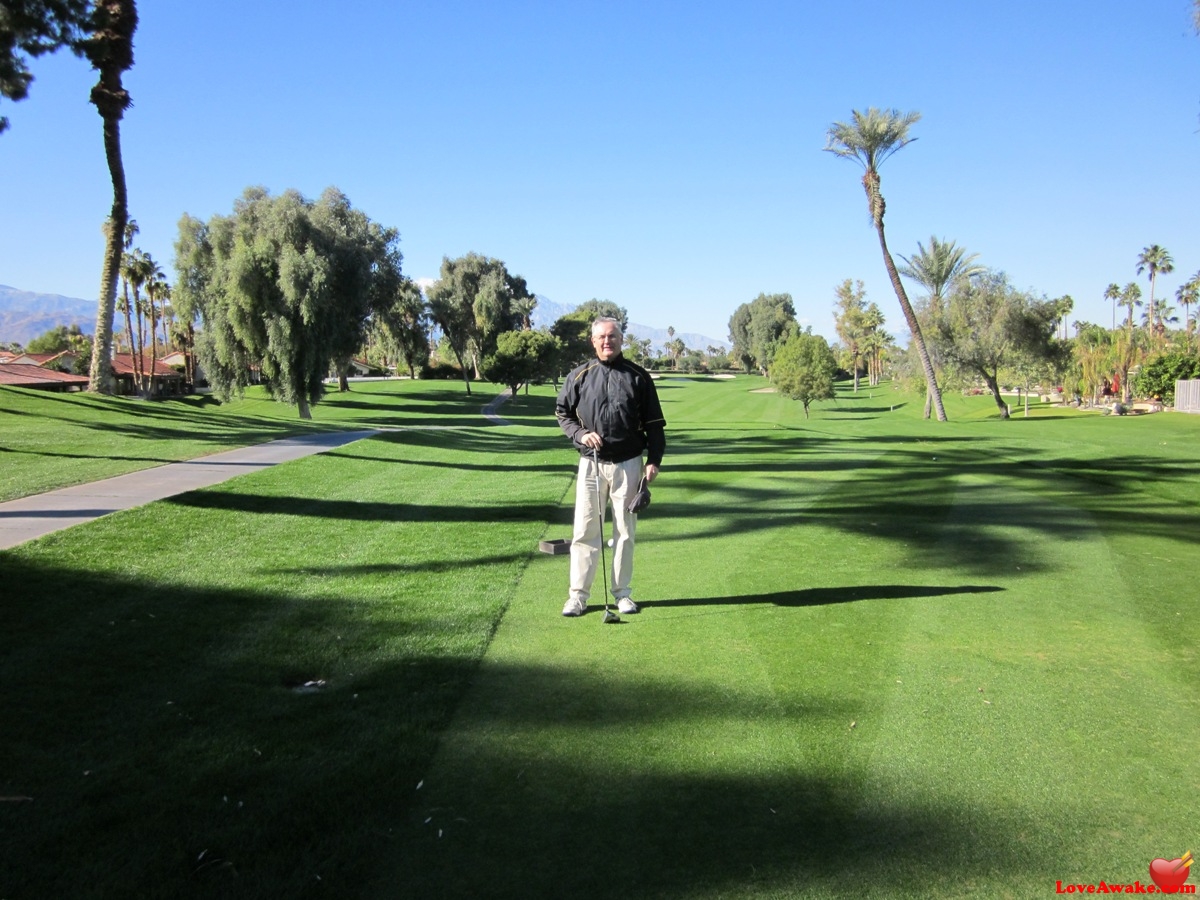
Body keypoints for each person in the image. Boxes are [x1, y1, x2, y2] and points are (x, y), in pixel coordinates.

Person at [554, 317, 665, 617]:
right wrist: (580, 434)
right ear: (593, 341)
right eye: (601, 337)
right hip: (590, 465)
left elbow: (655, 425)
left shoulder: (639, 377)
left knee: (624, 532)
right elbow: (562, 413)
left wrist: (654, 460)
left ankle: (622, 594)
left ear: (621, 339)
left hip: (628, 465)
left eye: (612, 336)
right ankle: (577, 596)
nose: (607, 341)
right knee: (585, 531)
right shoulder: (580, 375)